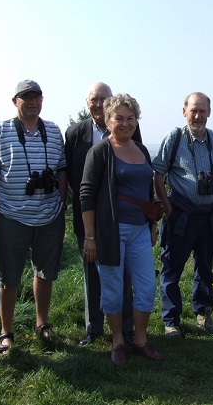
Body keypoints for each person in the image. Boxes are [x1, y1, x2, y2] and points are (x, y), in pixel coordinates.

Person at [0, 80, 67, 353]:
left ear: (42, 100)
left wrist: (62, 201)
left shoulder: (53, 131)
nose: (32, 102)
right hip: (11, 215)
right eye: (25, 98)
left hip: (49, 214)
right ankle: (6, 331)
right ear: (15, 101)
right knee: (9, 275)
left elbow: (62, 169)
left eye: (36, 97)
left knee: (45, 272)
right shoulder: (1, 132)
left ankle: (42, 324)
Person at [80, 94, 163, 365]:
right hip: (110, 232)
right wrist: (90, 237)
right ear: (108, 120)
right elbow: (87, 194)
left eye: (131, 118)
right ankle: (117, 341)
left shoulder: (141, 150)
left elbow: (148, 193)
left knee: (147, 287)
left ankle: (140, 340)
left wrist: (152, 226)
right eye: (119, 118)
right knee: (113, 290)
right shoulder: (100, 151)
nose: (126, 124)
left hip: (139, 230)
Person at [65, 81, 142, 346]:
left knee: (125, 275)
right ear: (87, 103)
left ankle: (127, 328)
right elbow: (75, 178)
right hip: (88, 217)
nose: (97, 104)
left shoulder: (130, 129)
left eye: (102, 99)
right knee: (92, 274)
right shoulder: (75, 133)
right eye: (93, 100)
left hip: (122, 220)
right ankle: (93, 327)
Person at [153, 92, 213, 339]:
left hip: (210, 215)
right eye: (193, 110)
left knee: (206, 269)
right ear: (184, 111)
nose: (197, 116)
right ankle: (171, 321)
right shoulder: (174, 138)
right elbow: (158, 174)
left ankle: (203, 315)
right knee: (172, 267)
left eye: (202, 111)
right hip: (181, 215)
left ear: (209, 113)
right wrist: (168, 209)